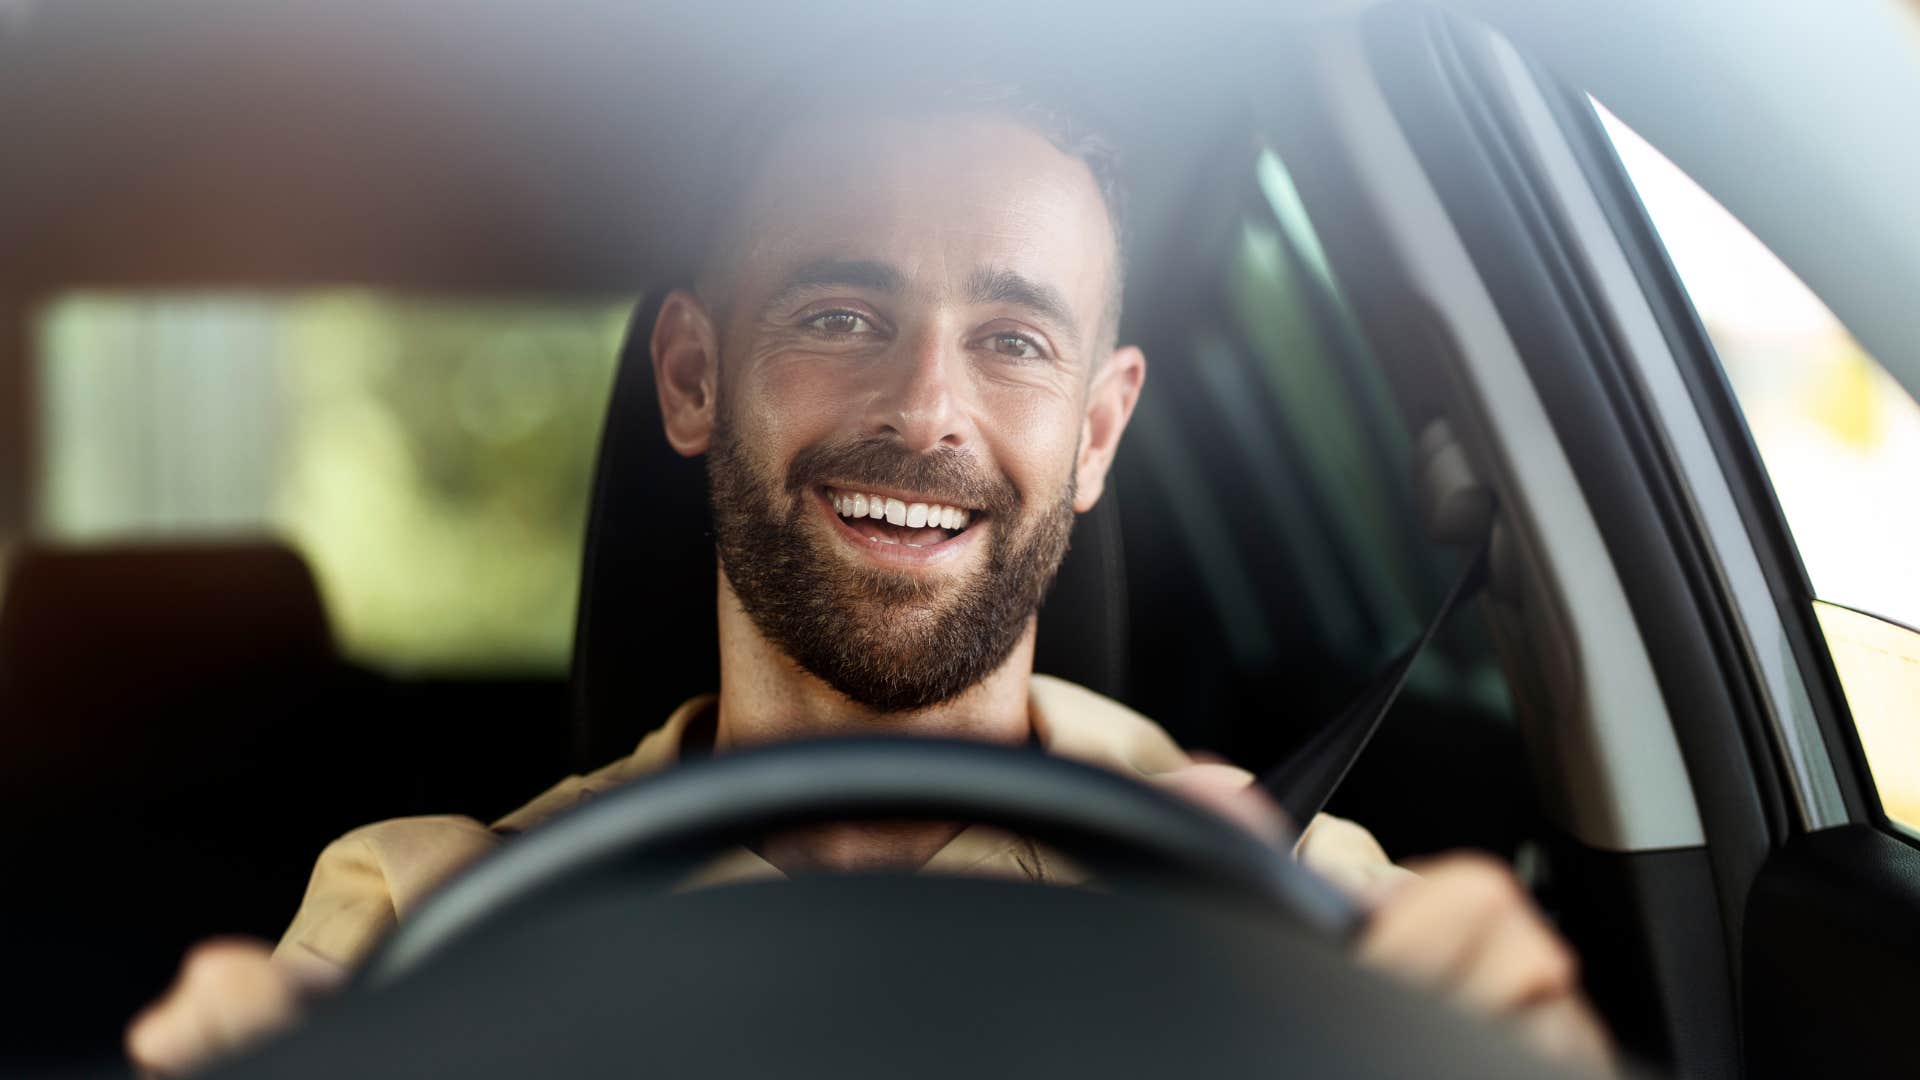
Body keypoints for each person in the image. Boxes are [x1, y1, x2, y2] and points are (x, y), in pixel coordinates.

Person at [126, 75, 1612, 1075]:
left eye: (1016, 340)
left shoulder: (1287, 896)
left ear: (1098, 434)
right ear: (698, 376)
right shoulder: (421, 917)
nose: (926, 408)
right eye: (842, 316)